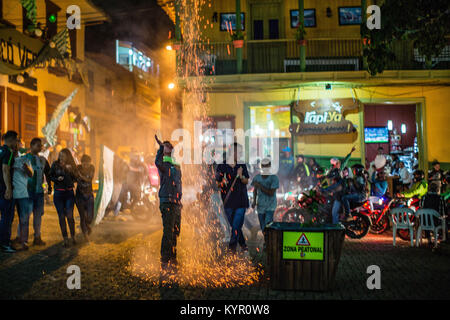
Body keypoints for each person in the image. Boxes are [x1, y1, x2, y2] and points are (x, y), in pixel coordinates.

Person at [216, 142, 250, 253]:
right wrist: (222, 182)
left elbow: (246, 181)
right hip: (228, 202)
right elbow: (217, 184)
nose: (240, 154)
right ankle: (243, 244)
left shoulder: (242, 165)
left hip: (241, 201)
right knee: (235, 226)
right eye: (239, 152)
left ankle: (232, 249)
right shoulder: (222, 166)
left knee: (235, 225)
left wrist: (240, 176)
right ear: (233, 152)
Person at [154, 135, 182, 270]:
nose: (168, 147)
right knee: (168, 231)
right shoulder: (163, 165)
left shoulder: (176, 165)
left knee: (176, 231)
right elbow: (157, 162)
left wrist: (180, 200)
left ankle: (173, 257)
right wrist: (160, 148)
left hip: (176, 203)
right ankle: (165, 260)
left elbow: (179, 183)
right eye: (166, 146)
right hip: (166, 201)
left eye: (169, 146)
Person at [23, 138, 52, 246]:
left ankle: (37, 237)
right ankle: (23, 239)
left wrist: (49, 187)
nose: (40, 147)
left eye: (40, 146)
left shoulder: (43, 160)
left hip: (39, 193)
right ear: (31, 146)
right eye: (38, 145)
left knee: (38, 216)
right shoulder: (25, 158)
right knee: (25, 216)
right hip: (28, 192)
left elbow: (48, 173)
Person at [50, 148, 79, 247]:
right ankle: (65, 239)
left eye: (63, 155)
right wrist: (57, 179)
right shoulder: (55, 164)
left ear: (68, 156)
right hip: (58, 194)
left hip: (69, 193)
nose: (61, 157)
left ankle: (73, 236)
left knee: (70, 215)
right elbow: (50, 176)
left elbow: (76, 178)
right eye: (60, 155)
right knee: (61, 216)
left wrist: (71, 171)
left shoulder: (72, 165)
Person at [251, 158, 279, 246]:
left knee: (268, 223)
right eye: (263, 166)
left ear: (270, 166)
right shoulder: (257, 178)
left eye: (267, 166)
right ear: (261, 166)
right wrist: (254, 201)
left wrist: (260, 186)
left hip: (270, 206)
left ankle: (269, 242)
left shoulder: (274, 178)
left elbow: (271, 193)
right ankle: (267, 241)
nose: (265, 167)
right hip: (261, 206)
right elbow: (254, 190)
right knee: (263, 226)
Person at [0, 131, 19, 253]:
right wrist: (8, 188)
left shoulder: (0, 150)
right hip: (4, 189)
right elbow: (6, 169)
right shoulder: (8, 152)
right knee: (7, 217)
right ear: (12, 140)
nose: (17, 143)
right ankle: (5, 243)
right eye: (16, 140)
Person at [12, 151, 34, 251]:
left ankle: (23, 242)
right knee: (8, 219)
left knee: (24, 219)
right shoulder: (7, 160)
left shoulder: (25, 160)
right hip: (10, 194)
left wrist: (26, 167)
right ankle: (7, 241)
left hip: (23, 194)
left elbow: (31, 174)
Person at [75, 154, 95, 242]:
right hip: (79, 196)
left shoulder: (92, 168)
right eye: (84, 164)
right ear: (81, 163)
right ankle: (85, 235)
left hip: (89, 195)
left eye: (88, 164)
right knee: (83, 216)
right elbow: (74, 178)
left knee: (90, 217)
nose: (86, 166)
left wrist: (80, 176)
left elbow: (89, 179)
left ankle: (87, 227)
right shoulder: (77, 168)